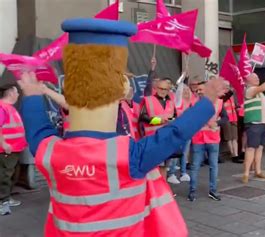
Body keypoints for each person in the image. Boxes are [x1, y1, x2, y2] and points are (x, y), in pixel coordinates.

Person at [19, 18, 226, 236]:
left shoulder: (50, 153)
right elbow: (175, 133)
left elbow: (38, 131)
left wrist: (32, 96)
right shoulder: (129, 156)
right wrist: (207, 101)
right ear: (118, 93)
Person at [188, 80, 228, 202]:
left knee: (213, 166)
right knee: (195, 166)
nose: (199, 92)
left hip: (213, 138)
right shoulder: (193, 103)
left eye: (201, 89)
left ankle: (213, 190)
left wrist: (216, 122)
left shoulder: (219, 102)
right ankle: (192, 191)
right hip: (198, 138)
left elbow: (226, 118)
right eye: (198, 90)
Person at [139, 79, 177, 178]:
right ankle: (154, 191)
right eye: (161, 88)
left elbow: (175, 117)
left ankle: (163, 190)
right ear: (156, 88)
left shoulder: (171, 102)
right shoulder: (148, 100)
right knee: (153, 169)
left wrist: (172, 120)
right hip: (153, 139)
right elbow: (143, 117)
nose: (163, 91)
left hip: (167, 139)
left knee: (164, 167)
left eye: (166, 89)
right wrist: (159, 121)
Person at [0, 83, 27, 216]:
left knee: (11, 174)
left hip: (14, 148)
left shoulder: (9, 108)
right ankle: (2, 202)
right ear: (10, 93)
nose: (18, 95)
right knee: (5, 175)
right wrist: (4, 143)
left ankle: (6, 199)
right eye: (16, 92)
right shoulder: (2, 107)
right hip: (6, 149)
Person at [167, 85, 192, 184]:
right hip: (178, 131)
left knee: (184, 153)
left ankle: (183, 173)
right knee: (176, 154)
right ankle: (171, 174)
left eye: (187, 90)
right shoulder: (176, 102)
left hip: (187, 131)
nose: (186, 92)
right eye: (184, 90)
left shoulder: (189, 103)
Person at [221, 80, 241, 163]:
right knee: (229, 138)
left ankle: (236, 154)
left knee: (235, 138)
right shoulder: (221, 95)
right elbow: (223, 101)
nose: (227, 87)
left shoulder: (232, 95)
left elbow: (236, 104)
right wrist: (230, 92)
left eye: (228, 86)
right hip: (227, 118)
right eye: (226, 86)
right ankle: (233, 155)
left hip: (234, 117)